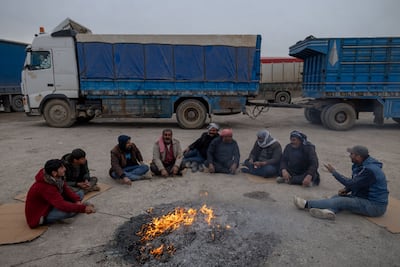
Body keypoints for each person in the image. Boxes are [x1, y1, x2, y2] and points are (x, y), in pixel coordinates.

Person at [294, 145, 389, 220]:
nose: (349, 156)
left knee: (341, 201)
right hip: (364, 198)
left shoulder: (369, 170)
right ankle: (329, 212)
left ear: (358, 156)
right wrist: (346, 190)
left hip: (374, 207)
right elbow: (359, 183)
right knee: (337, 197)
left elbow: (351, 183)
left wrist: (334, 173)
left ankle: (306, 204)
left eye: (351, 154)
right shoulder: (361, 165)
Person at [25, 159, 96, 228]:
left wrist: (77, 201)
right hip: (41, 213)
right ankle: (78, 207)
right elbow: (61, 204)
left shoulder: (55, 176)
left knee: (80, 193)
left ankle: (76, 206)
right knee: (69, 212)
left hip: (51, 204)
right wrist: (83, 209)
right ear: (54, 173)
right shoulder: (46, 187)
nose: (65, 169)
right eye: (62, 168)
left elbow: (66, 189)